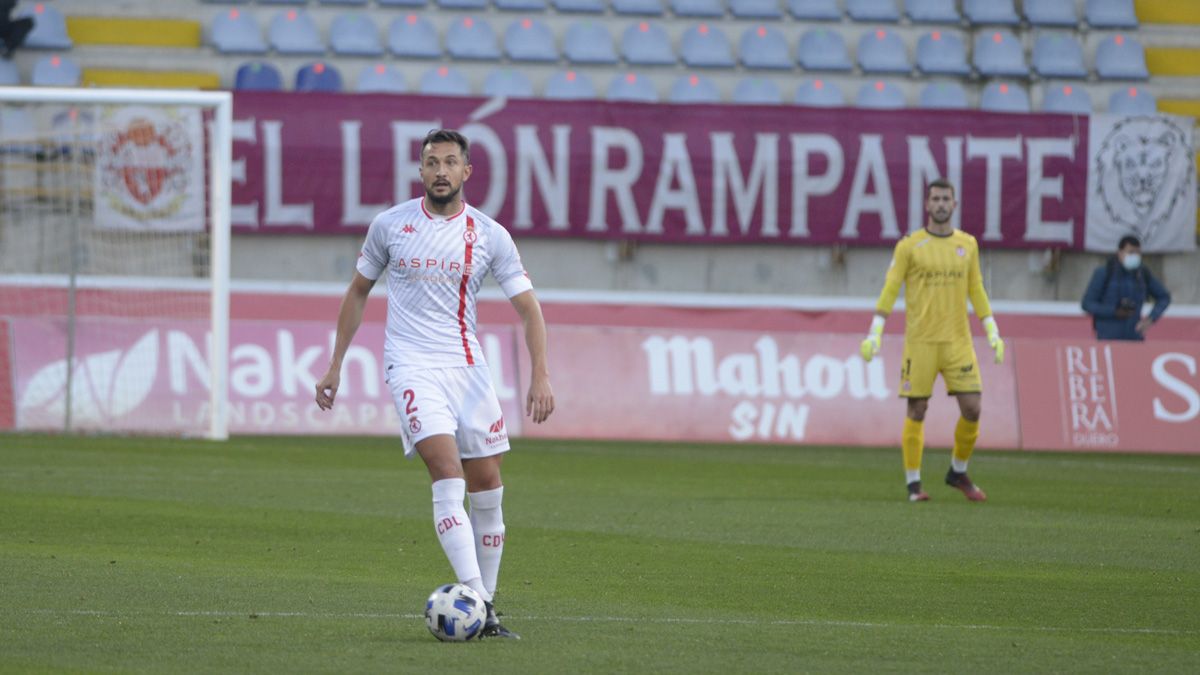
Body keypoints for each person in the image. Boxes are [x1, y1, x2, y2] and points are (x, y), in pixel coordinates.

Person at [315, 129, 554, 639]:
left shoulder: (490, 234)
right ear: (419, 171)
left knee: (488, 486)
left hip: (468, 370)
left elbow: (528, 307)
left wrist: (541, 373)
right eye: (431, 162)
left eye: (450, 162)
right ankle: (477, 604)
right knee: (447, 475)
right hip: (411, 367)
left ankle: (486, 602)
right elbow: (358, 292)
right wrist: (336, 363)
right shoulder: (390, 226)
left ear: (467, 172)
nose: (440, 171)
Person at [859, 178, 1004, 503]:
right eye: (935, 198)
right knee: (917, 409)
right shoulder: (910, 246)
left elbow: (976, 288)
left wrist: (991, 327)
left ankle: (958, 471)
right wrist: (875, 331)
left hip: (957, 341)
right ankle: (913, 485)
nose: (940, 204)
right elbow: (891, 287)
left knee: (973, 407)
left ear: (954, 205)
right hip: (921, 342)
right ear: (927, 204)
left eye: (945, 199)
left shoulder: (967, 244)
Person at [1081, 234, 1171, 341]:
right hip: (1108, 338)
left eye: (1138, 253)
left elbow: (1164, 297)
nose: (1135, 256)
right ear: (1120, 253)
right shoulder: (1104, 273)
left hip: (1134, 338)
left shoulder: (1142, 274)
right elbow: (1087, 304)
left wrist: (1150, 319)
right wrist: (1114, 311)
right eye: (1131, 252)